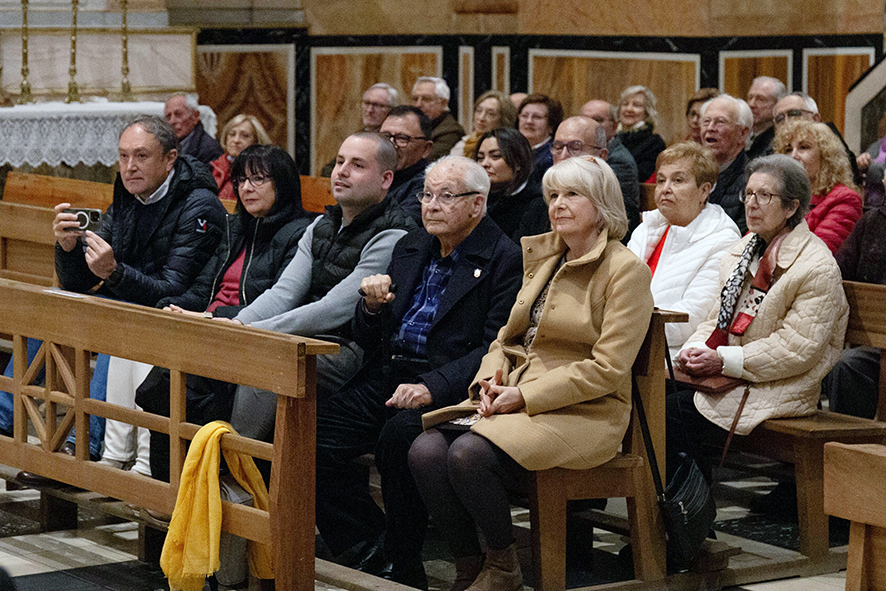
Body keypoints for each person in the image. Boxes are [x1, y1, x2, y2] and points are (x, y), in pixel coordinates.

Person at [409, 155, 654, 591]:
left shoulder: (625, 270)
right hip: (520, 396)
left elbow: (607, 369)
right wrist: (490, 380)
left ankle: (503, 567)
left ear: (602, 204)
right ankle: (470, 566)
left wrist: (524, 397)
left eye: (572, 195)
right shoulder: (546, 258)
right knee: (424, 450)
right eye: (553, 195)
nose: (558, 204)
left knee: (467, 455)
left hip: (586, 411)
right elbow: (505, 340)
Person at [314, 156, 523, 589]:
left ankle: (404, 559)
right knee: (313, 434)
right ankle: (366, 542)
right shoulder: (412, 246)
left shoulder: (504, 258)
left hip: (451, 387)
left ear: (477, 204)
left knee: (399, 438)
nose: (431, 205)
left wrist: (433, 386)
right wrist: (371, 307)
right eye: (426, 195)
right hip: (390, 374)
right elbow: (369, 336)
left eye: (446, 196)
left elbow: (495, 345)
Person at [5, 115, 226, 480]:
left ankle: (83, 446)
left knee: (117, 318)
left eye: (141, 156)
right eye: (123, 156)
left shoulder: (199, 206)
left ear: (170, 159)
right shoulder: (127, 196)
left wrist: (114, 273)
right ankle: (3, 418)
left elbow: (173, 288)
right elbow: (77, 283)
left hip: (173, 317)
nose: (129, 166)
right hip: (127, 301)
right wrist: (68, 248)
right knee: (52, 306)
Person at [128, 145, 316, 481]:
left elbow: (281, 303)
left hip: (247, 337)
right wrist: (176, 306)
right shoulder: (235, 228)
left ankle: (192, 486)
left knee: (171, 391)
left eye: (258, 180)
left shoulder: (299, 233)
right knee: (157, 389)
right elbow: (205, 287)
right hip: (208, 329)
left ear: (283, 184)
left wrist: (211, 318)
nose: (246, 188)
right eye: (241, 180)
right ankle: (168, 490)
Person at [667, 154, 849, 482]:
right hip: (736, 375)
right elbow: (715, 318)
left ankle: (688, 510)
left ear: (791, 207)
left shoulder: (816, 266)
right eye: (748, 194)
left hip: (780, 385)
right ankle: (671, 507)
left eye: (764, 195)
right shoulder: (743, 250)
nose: (752, 204)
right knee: (649, 396)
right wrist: (696, 349)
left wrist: (723, 360)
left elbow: (796, 349)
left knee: (671, 415)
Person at [226, 132, 416, 443]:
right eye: (340, 161)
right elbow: (284, 293)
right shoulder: (320, 225)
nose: (341, 171)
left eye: (357, 165)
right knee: (212, 355)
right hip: (303, 337)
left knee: (267, 360)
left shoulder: (394, 234)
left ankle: (240, 464)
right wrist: (237, 325)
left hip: (351, 350)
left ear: (385, 179)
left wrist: (257, 332)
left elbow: (333, 309)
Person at [628, 142, 740, 357]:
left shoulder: (723, 240)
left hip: (668, 355)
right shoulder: (646, 229)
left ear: (704, 190)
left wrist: (620, 328)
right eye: (661, 180)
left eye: (678, 180)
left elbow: (691, 318)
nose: (665, 188)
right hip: (626, 342)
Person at [823, 176, 886, 419]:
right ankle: (845, 439)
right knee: (845, 365)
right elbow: (837, 273)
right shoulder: (872, 222)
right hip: (873, 343)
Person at [773, 119, 863, 253]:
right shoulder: (778, 196)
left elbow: (815, 254)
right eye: (788, 149)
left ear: (826, 155)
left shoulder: (846, 199)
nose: (793, 156)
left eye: (804, 147)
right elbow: (749, 244)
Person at [552, 115, 640, 234]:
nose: (563, 156)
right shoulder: (540, 200)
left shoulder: (620, 208)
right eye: (558, 147)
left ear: (601, 156)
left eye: (575, 147)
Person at [773, 92, 861, 186]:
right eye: (780, 118)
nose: (787, 121)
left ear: (815, 118)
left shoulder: (837, 150)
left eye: (793, 114)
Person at [474, 127, 545, 241]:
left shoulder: (536, 203)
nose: (484, 164)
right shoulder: (478, 198)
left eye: (495, 156)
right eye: (480, 158)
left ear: (518, 162)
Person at [700, 94, 753, 233]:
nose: (710, 128)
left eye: (720, 122)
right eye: (706, 121)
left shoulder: (752, 181)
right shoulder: (693, 174)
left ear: (742, 133)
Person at [321, 83, 399, 177]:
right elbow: (328, 170)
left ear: (392, 109)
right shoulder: (360, 135)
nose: (370, 110)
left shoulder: (393, 139)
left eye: (377, 105)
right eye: (367, 103)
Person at [379, 105, 434, 223]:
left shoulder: (428, 185)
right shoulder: (372, 176)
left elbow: (399, 224)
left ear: (426, 149)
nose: (391, 145)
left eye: (402, 138)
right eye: (385, 137)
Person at [210, 114, 271, 202]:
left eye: (245, 136)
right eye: (232, 134)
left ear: (256, 141)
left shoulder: (264, 170)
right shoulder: (214, 166)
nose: (236, 140)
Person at [615, 85, 666, 183]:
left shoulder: (654, 143)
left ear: (647, 112)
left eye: (636, 105)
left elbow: (640, 175)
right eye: (625, 104)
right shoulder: (613, 138)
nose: (629, 109)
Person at [450, 90, 517, 158]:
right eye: (479, 111)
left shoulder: (508, 148)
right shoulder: (462, 145)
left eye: (490, 114)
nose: (481, 118)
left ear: (503, 120)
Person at [412, 77, 465, 161]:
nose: (418, 104)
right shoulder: (415, 125)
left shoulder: (451, 131)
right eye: (415, 99)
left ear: (444, 103)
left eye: (426, 99)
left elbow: (427, 161)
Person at [516, 94, 563, 186]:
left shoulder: (552, 157)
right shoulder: (514, 150)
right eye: (524, 116)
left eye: (537, 117)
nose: (529, 121)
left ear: (551, 125)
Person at [164, 93, 224, 164]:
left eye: (178, 114)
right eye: (168, 117)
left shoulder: (210, 150)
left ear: (195, 116)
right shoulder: (164, 145)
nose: (172, 121)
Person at [746, 76, 786, 160]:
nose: (751, 104)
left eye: (761, 99)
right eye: (750, 98)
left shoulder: (780, 142)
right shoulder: (741, 135)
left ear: (777, 104)